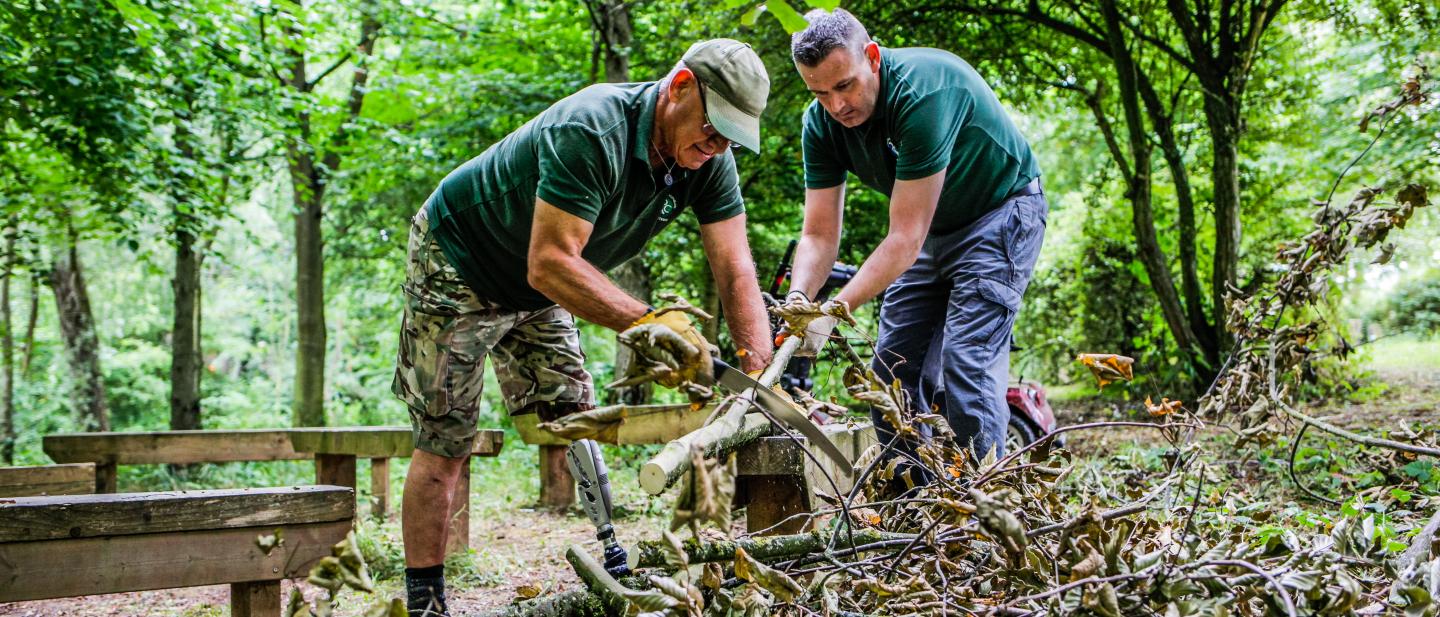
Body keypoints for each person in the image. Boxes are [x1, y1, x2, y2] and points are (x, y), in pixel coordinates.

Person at [391, 39, 773, 617]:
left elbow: (735, 265)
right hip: (460, 262)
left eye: (732, 136)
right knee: (447, 436)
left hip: (538, 282)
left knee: (577, 414)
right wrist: (650, 325)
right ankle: (425, 600)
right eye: (713, 127)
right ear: (679, 88)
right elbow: (550, 262)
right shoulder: (593, 129)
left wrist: (755, 366)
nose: (717, 145)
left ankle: (610, 552)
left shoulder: (709, 162)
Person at [782, 9, 1047, 462]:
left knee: (967, 363)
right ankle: (917, 509)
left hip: (999, 213)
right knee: (890, 373)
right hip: (930, 233)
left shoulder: (925, 90)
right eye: (819, 92)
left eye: (845, 85)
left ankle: (990, 508)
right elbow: (819, 235)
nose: (836, 105)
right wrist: (800, 302)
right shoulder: (820, 124)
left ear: (872, 57)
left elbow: (904, 238)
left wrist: (835, 310)